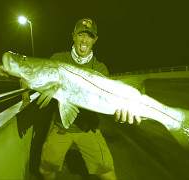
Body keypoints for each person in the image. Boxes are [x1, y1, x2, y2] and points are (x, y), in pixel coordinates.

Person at [38, 18, 140, 180]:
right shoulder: (59, 59)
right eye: (81, 35)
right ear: (73, 36)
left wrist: (119, 114)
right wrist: (14, 72)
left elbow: (107, 103)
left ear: (95, 40)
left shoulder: (99, 68)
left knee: (109, 175)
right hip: (60, 127)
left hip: (88, 128)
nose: (85, 40)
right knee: (46, 170)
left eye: (89, 36)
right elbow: (39, 77)